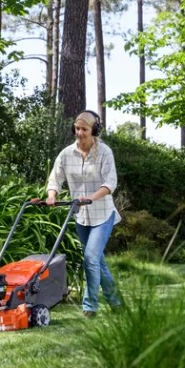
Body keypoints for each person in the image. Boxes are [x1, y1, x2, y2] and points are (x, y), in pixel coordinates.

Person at [45, 110, 122, 318]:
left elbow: (110, 183)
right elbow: (55, 179)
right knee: (97, 261)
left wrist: (91, 197)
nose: (80, 133)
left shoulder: (104, 152)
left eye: (84, 129)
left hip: (103, 214)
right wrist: (52, 195)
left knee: (90, 258)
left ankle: (90, 308)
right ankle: (116, 302)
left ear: (94, 130)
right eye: (77, 128)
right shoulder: (66, 154)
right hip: (80, 216)